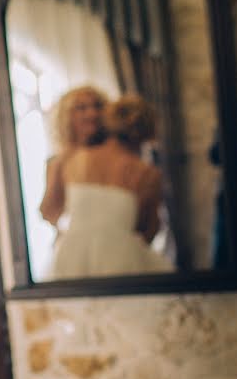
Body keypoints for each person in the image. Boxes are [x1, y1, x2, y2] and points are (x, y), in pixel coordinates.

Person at [49, 93, 173, 279]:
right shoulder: (147, 174)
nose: (91, 114)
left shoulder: (74, 159)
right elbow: (149, 229)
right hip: (123, 259)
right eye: (81, 108)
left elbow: (49, 210)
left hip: (72, 256)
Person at [40, 85, 108, 227]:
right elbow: (49, 214)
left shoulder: (115, 156)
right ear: (66, 116)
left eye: (97, 106)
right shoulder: (57, 162)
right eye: (81, 108)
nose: (92, 114)